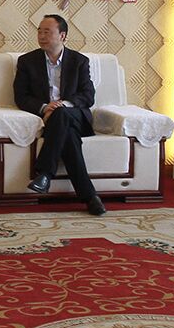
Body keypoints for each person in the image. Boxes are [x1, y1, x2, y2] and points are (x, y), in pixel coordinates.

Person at [14, 14, 107, 217]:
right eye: (39, 31)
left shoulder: (79, 61)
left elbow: (88, 96)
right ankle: (90, 197)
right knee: (69, 138)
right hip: (50, 118)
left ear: (62, 35)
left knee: (62, 113)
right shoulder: (27, 61)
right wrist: (44, 107)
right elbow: (21, 96)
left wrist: (62, 105)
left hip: (74, 115)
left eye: (47, 32)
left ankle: (45, 173)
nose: (41, 36)